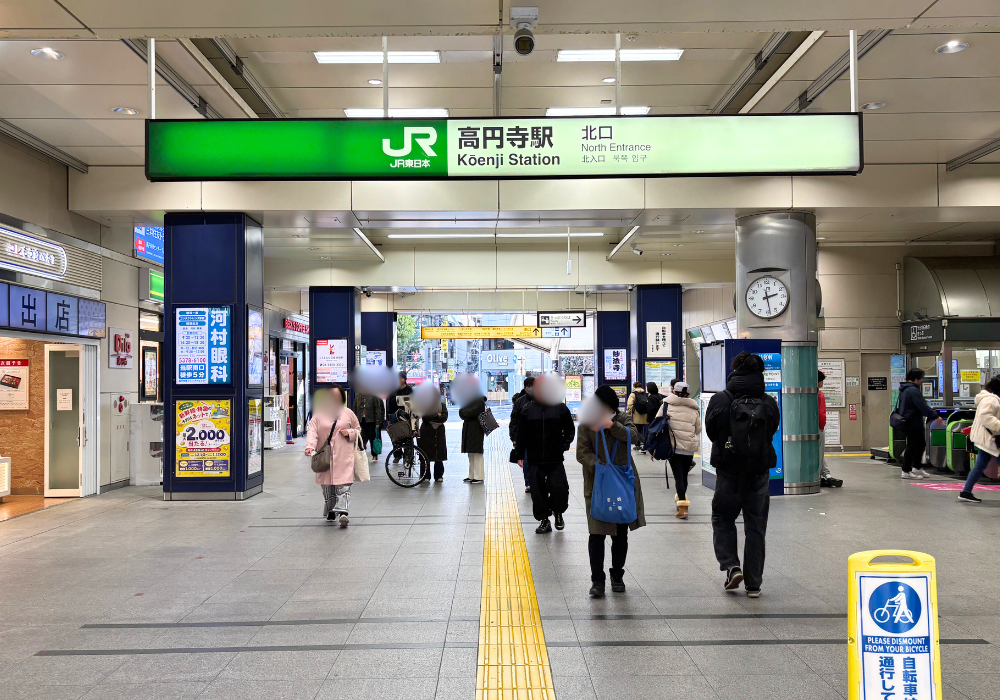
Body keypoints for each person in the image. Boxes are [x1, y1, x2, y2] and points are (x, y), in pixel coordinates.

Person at [705, 351, 780, 598]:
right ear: (760, 373)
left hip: (728, 471)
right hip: (758, 473)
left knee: (723, 518)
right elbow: (772, 431)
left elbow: (711, 432)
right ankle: (754, 584)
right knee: (756, 526)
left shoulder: (720, 400)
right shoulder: (769, 402)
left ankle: (731, 565)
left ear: (734, 369)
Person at [577, 385, 646, 598]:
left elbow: (634, 437)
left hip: (622, 485)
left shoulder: (623, 419)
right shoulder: (587, 423)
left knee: (620, 533)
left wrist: (611, 425)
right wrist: (599, 467)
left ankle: (617, 575)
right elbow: (581, 452)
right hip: (597, 484)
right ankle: (597, 580)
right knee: (596, 534)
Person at [515, 375, 576, 534]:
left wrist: (563, 445)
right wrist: (520, 454)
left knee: (559, 488)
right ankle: (544, 520)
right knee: (538, 491)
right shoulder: (527, 409)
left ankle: (558, 513)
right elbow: (521, 434)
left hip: (554, 458)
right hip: (534, 459)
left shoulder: (560, 408)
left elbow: (570, 429)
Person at [304, 386, 361, 527]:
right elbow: (312, 431)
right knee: (327, 487)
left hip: (344, 456)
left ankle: (343, 512)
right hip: (324, 456)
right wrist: (310, 446)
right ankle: (330, 509)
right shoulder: (319, 415)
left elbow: (358, 430)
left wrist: (350, 433)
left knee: (344, 486)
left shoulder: (348, 413)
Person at [657, 380, 701, 520]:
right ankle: (681, 499)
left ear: (673, 392)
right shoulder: (694, 408)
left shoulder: (666, 405)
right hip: (689, 447)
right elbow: (698, 429)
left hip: (673, 447)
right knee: (684, 475)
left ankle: (683, 506)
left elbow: (657, 422)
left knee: (678, 476)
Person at [896, 368, 946, 479]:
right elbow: (922, 405)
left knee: (919, 445)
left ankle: (917, 467)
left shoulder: (905, 389)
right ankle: (906, 470)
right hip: (912, 423)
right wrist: (935, 416)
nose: (922, 380)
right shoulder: (912, 390)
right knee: (913, 446)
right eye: (921, 378)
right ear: (916, 379)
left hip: (911, 422)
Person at [962, 376, 1000, 503]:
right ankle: (966, 492)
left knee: (980, 465)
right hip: (990, 438)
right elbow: (986, 418)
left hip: (987, 438)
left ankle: (966, 492)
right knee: (980, 465)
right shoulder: (991, 400)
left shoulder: (989, 399)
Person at [418, 385, 449, 483]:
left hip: (439, 431)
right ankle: (425, 475)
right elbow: (425, 417)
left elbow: (444, 417)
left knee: (438, 454)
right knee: (425, 454)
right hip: (427, 431)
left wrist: (434, 416)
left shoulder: (442, 405)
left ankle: (438, 475)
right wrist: (437, 415)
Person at [510, 376, 536, 492]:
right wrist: (514, 437)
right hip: (524, 436)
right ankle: (529, 483)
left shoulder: (541, 399)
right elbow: (514, 421)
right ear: (525, 388)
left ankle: (538, 481)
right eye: (529, 387)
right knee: (526, 461)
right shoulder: (520, 401)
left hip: (538, 436)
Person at [817, 371, 843, 488]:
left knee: (817, 453)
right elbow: (822, 414)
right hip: (818, 428)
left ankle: (826, 475)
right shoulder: (819, 395)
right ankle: (824, 476)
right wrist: (821, 427)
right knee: (820, 452)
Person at [460, 389, 487, 484]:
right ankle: (472, 475)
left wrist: (465, 413)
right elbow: (461, 412)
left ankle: (479, 476)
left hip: (476, 428)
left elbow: (472, 413)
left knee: (477, 452)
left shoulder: (479, 401)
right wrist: (465, 413)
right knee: (471, 453)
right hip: (469, 428)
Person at [386, 371, 413, 464]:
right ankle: (397, 455)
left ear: (404, 379)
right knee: (396, 437)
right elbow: (389, 405)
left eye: (400, 378)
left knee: (407, 437)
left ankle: (407, 456)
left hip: (406, 417)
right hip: (395, 417)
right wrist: (388, 418)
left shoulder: (410, 391)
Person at [352, 391, 385, 462]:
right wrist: (354, 420)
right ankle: (361, 453)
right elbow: (355, 408)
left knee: (372, 438)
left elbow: (377, 409)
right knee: (361, 437)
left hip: (371, 420)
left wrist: (378, 422)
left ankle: (374, 454)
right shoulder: (358, 395)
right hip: (361, 420)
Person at [626, 381, 650, 453]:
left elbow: (630, 404)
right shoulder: (645, 394)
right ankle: (639, 444)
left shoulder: (633, 394)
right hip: (644, 415)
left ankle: (642, 442)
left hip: (636, 415)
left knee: (636, 430)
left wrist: (628, 412)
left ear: (634, 387)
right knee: (640, 429)